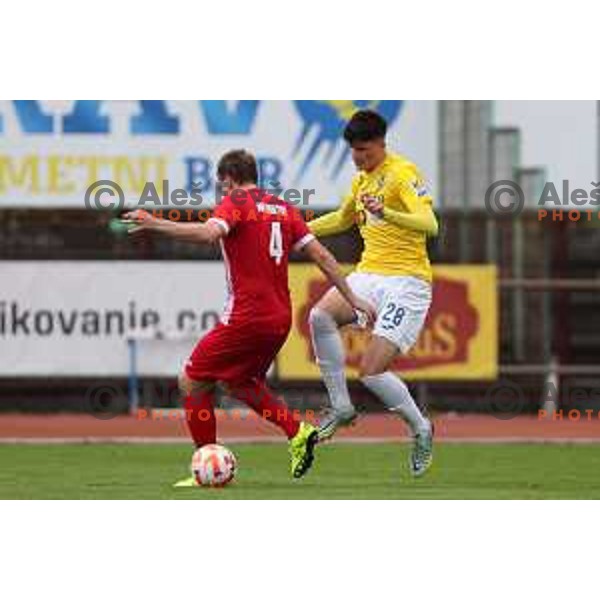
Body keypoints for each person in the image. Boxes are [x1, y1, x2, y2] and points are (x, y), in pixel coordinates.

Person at [123, 149, 375, 485]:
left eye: (221, 185)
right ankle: (297, 432)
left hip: (247, 316)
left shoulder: (236, 201)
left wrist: (155, 223)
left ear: (228, 179)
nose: (221, 191)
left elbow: (210, 234)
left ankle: (206, 465)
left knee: (191, 380)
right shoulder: (284, 208)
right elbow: (324, 257)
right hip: (279, 318)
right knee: (238, 382)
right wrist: (353, 297)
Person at [307, 110, 439, 476]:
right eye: (353, 152)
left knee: (371, 370)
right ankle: (341, 408)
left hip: (407, 282)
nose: (359, 159)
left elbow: (430, 224)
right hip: (370, 273)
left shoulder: (402, 174)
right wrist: (299, 230)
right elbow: (343, 218)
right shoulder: (361, 180)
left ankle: (421, 427)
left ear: (382, 143)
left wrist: (389, 213)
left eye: (364, 151)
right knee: (319, 316)